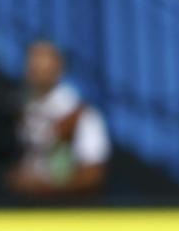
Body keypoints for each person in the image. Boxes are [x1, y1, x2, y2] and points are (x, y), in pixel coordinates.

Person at [6, 41, 110, 199]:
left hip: (66, 213)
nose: (37, 67)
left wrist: (45, 187)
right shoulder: (18, 109)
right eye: (33, 61)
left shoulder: (80, 114)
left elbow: (93, 175)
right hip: (24, 212)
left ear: (59, 67)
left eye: (44, 62)